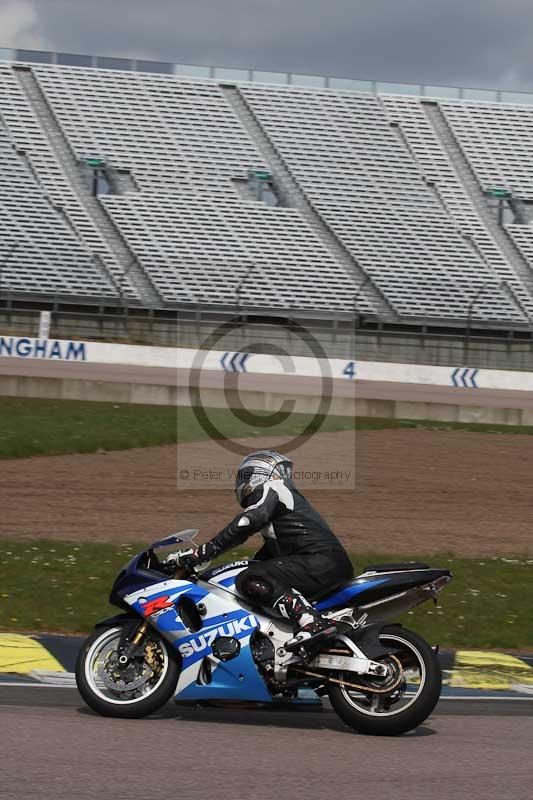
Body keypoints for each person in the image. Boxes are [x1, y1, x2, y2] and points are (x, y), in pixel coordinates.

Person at [169, 450, 354, 651]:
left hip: (320, 561)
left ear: (259, 473)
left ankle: (311, 622)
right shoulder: (284, 519)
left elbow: (248, 522)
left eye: (245, 476)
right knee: (254, 577)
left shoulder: (273, 487)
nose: (241, 483)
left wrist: (203, 552)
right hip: (323, 563)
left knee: (249, 579)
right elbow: (262, 562)